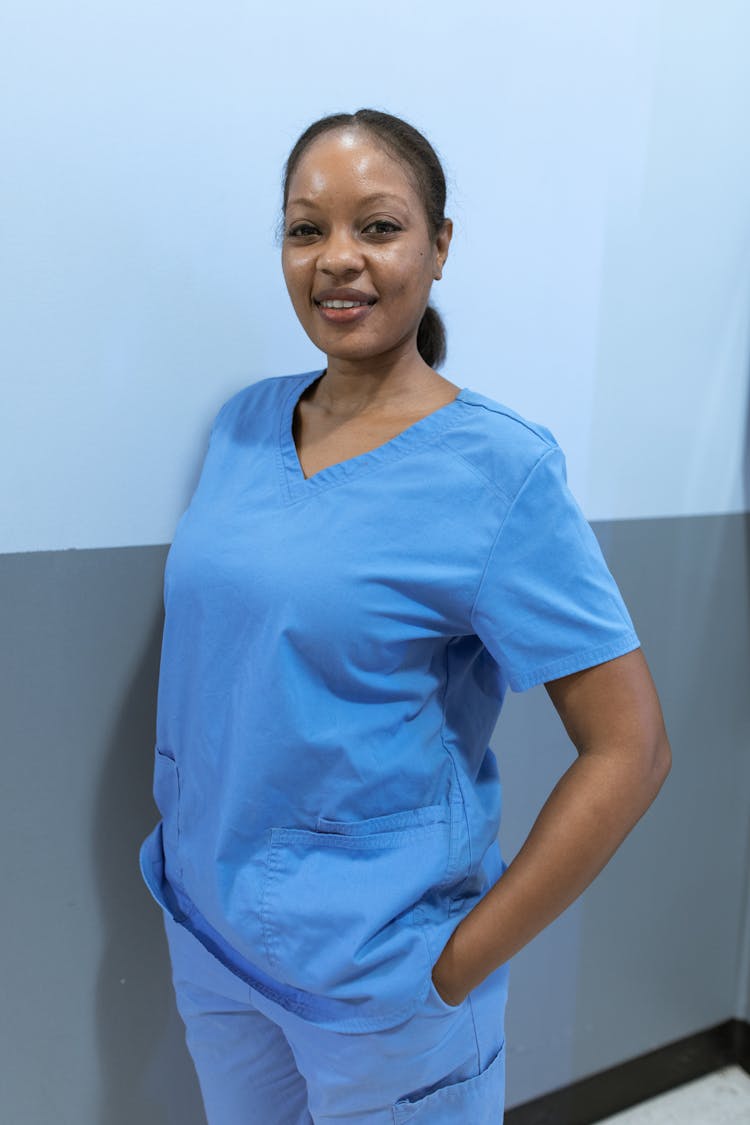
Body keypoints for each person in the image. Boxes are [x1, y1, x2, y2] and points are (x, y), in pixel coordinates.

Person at [139, 108, 672, 1124]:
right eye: (307, 229)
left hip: (385, 992)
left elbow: (632, 749)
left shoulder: (498, 471)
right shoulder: (244, 425)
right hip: (214, 947)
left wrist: (453, 965)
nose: (338, 260)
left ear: (439, 246)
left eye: (378, 227)